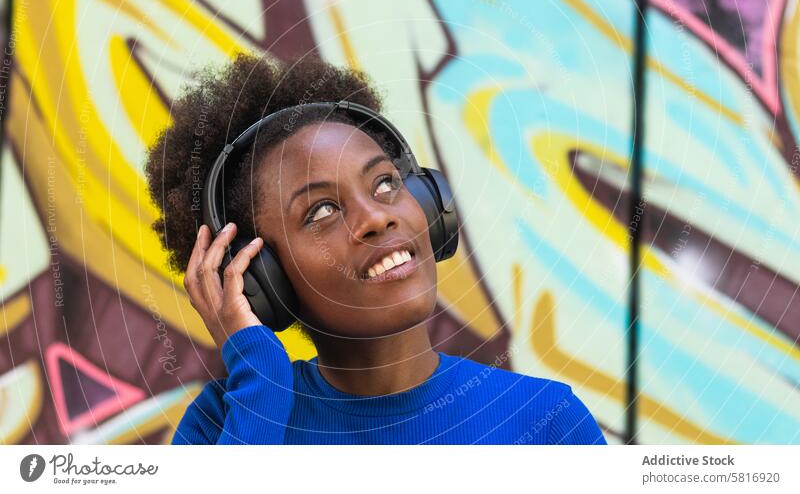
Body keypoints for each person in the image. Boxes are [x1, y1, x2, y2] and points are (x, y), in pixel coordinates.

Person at [144, 52, 607, 445]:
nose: (377, 217)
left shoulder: (545, 422)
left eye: (385, 183)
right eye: (322, 211)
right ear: (262, 277)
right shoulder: (224, 424)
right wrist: (259, 380)